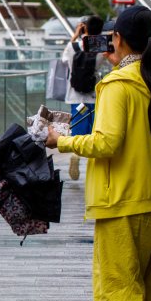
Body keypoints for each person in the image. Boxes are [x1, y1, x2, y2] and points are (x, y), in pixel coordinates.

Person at [45, 6, 151, 301]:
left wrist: (60, 141)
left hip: (125, 204)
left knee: (119, 293)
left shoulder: (117, 85)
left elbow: (107, 143)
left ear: (117, 38)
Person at [61, 15, 106, 180]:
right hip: (93, 96)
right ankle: (94, 163)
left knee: (78, 129)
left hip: (75, 98)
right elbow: (106, 61)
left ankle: (75, 153)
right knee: (93, 130)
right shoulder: (100, 48)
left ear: (84, 28)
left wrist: (76, 34)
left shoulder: (73, 46)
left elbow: (64, 60)